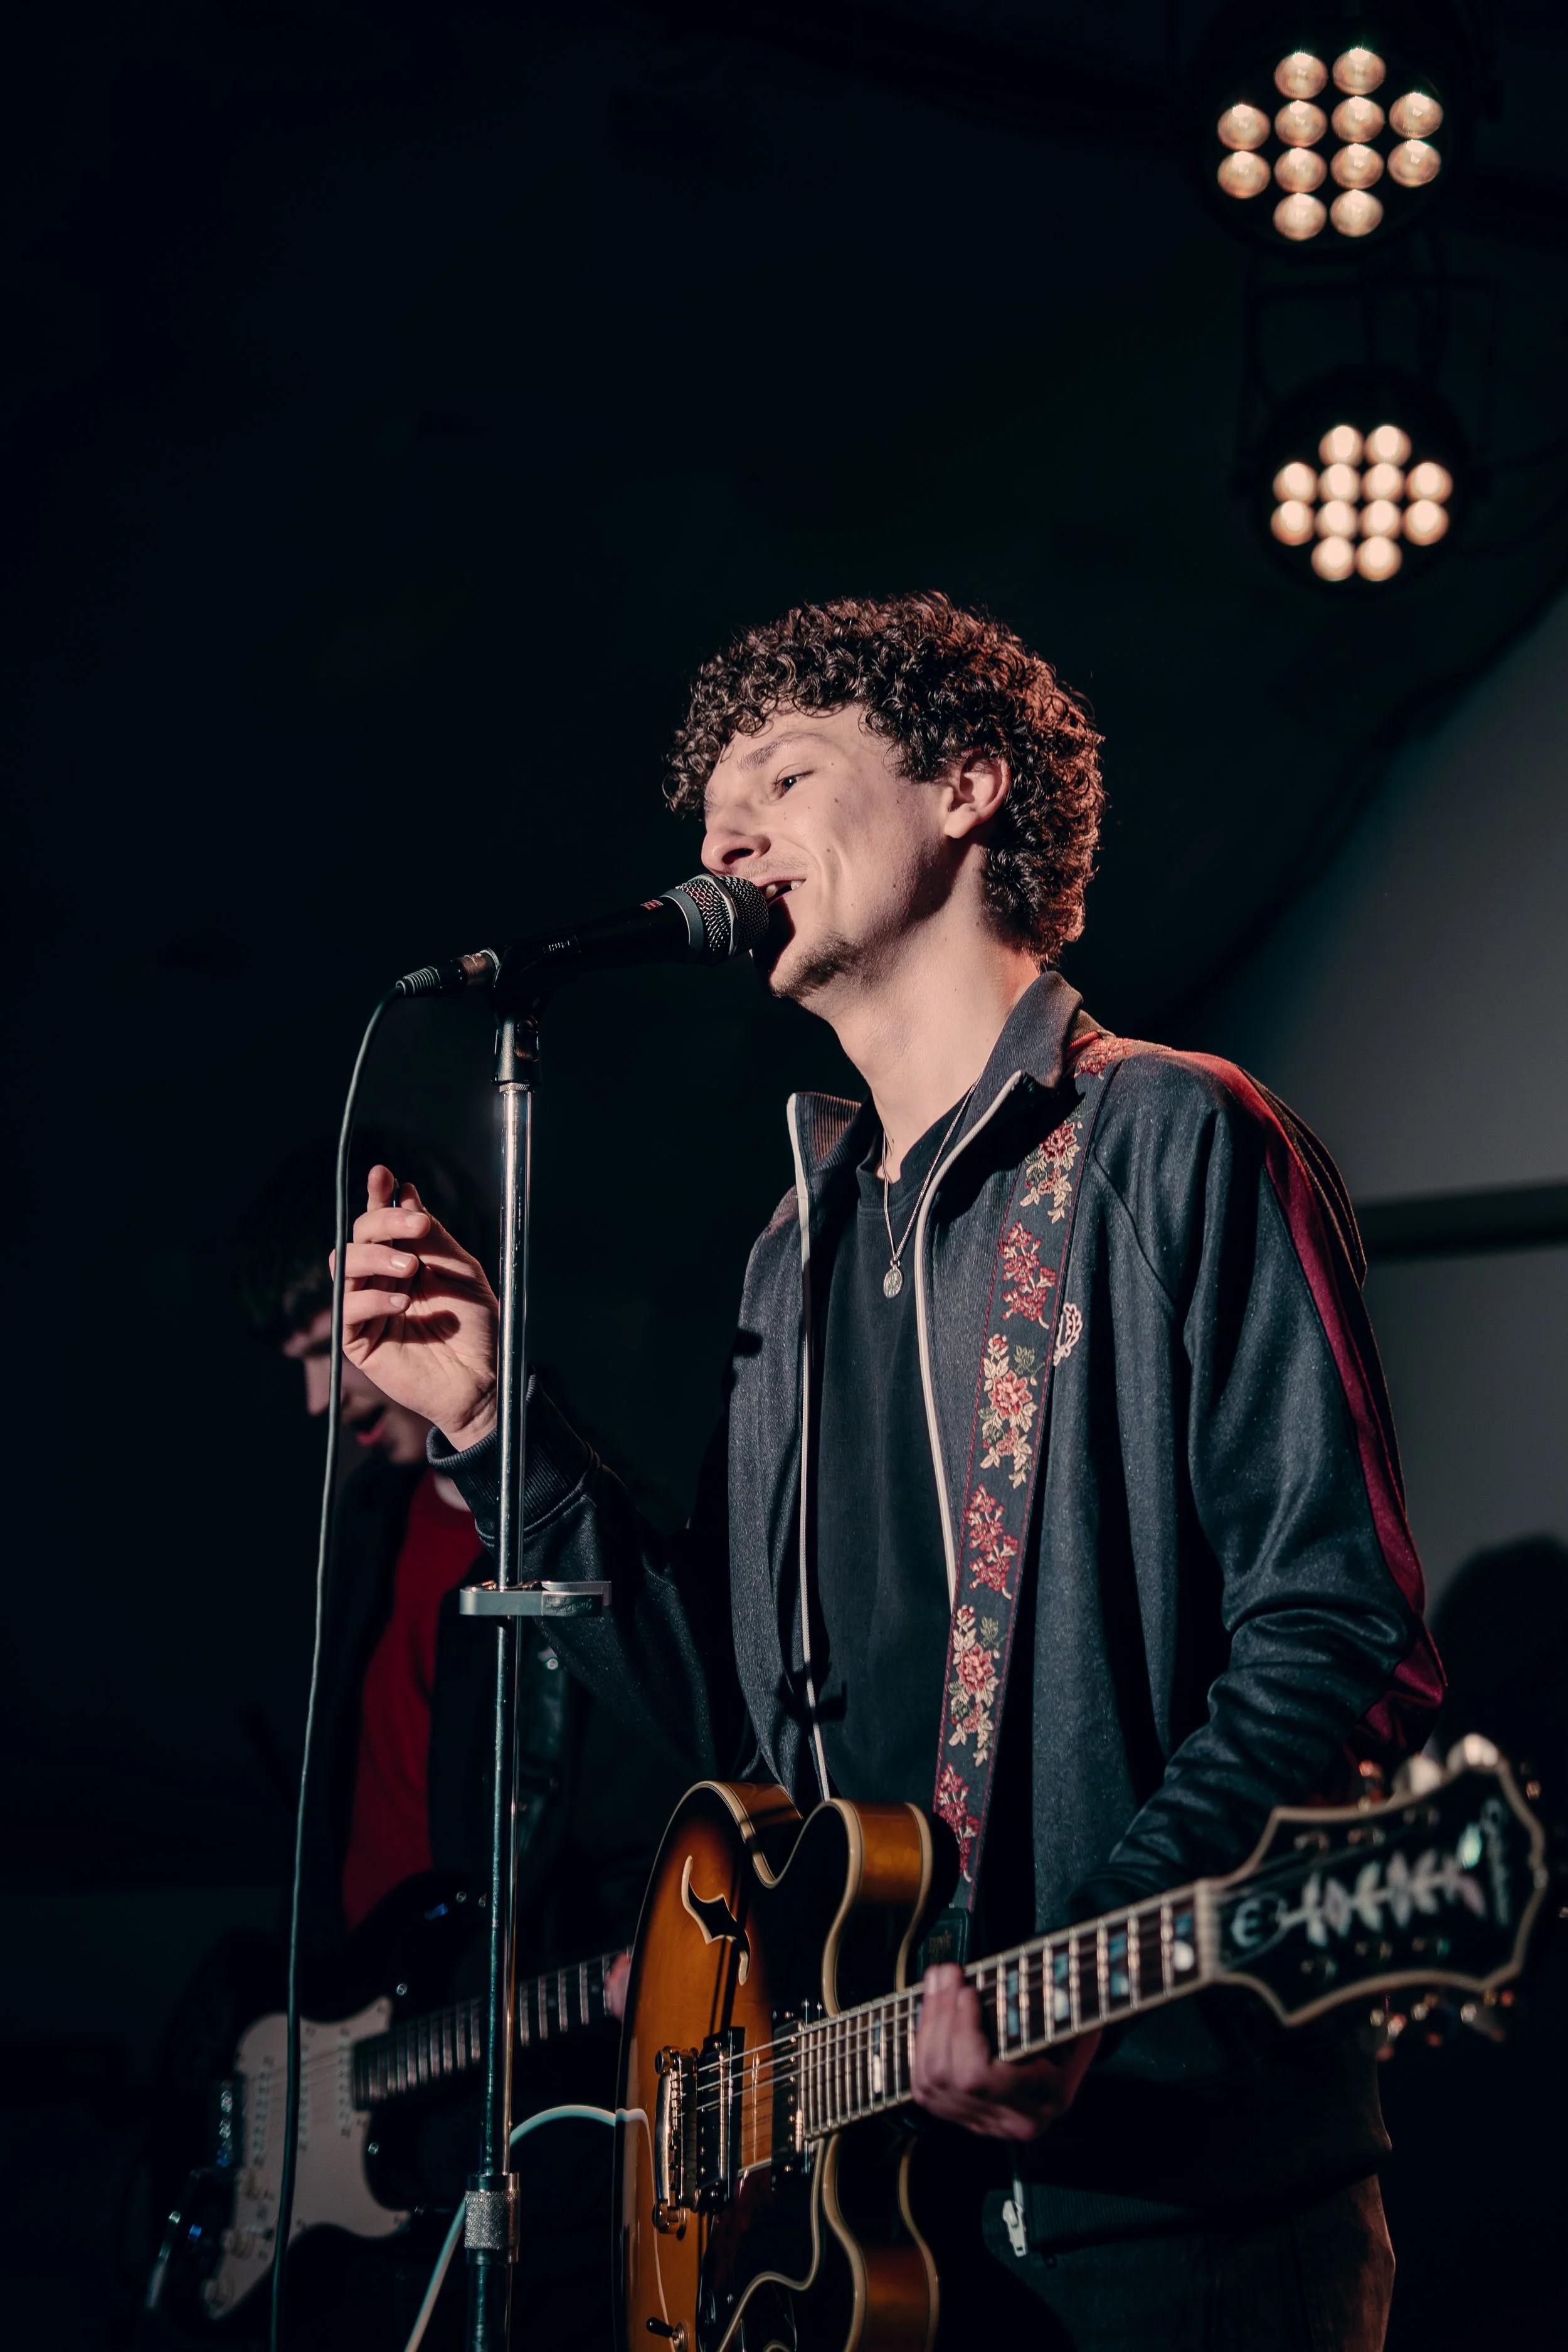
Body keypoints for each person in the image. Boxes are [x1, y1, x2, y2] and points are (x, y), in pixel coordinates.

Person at [335, 595, 1443, 2348]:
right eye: (708, 811)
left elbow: (1332, 1629)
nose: (723, 834)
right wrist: (491, 1424)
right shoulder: (796, 1247)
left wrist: (1074, 1962)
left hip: (1172, 2202)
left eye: (784, 770)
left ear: (967, 787)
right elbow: (734, 1719)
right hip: (858, 2218)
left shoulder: (1171, 1136)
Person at [194, 1135, 682, 2348]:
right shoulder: (362, 1527)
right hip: (344, 2069)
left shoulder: (563, 1500)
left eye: (326, 1353)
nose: (322, 1401)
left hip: (503, 2091)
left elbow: (659, 1749)